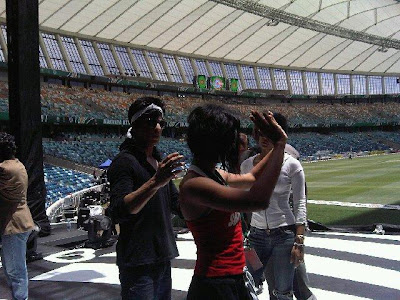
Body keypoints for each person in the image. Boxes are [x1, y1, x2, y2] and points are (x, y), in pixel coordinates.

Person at [179, 104, 287, 300]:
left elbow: (252, 178)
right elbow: (258, 200)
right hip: (215, 285)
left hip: (231, 278)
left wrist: (274, 146)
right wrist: (280, 144)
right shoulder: (195, 184)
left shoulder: (212, 174)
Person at [107, 97, 185, 300]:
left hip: (162, 255)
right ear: (135, 124)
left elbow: (177, 204)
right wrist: (156, 181)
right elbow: (119, 210)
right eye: (151, 121)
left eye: (161, 122)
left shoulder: (158, 161)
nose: (157, 127)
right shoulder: (124, 162)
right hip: (138, 261)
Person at [240, 113, 307, 300]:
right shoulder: (246, 166)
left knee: (283, 291)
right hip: (256, 235)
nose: (264, 137)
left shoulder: (291, 165)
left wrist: (299, 240)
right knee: (246, 285)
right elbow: (242, 201)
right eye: (260, 132)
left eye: (269, 132)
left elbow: (300, 202)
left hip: (284, 234)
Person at [0, 132, 35, 300]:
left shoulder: (5, 168)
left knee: (15, 271)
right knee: (11, 268)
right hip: (19, 221)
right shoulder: (17, 164)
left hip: (13, 224)